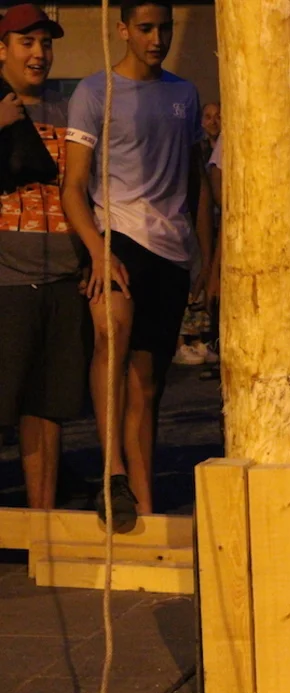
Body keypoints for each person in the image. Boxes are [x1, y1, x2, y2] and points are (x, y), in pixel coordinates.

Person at [62, 0, 210, 529]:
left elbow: (196, 181)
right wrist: (97, 250)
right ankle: (113, 472)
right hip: (116, 236)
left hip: (171, 248)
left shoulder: (184, 93)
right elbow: (72, 187)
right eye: (146, 28)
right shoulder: (93, 91)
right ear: (123, 30)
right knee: (111, 336)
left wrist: (205, 256)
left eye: (164, 28)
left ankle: (143, 503)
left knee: (147, 385)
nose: (157, 38)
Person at [0, 4, 88, 510]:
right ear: (3, 49)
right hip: (6, 280)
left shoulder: (69, 110)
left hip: (61, 277)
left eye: (46, 43)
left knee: (47, 406)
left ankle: (42, 524)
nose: (39, 53)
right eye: (27, 42)